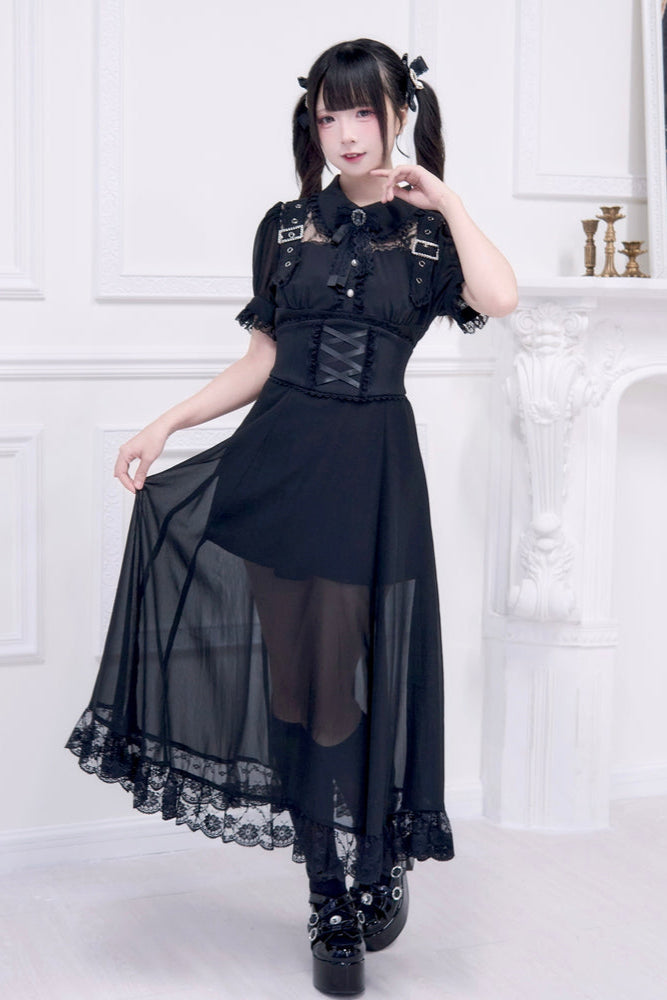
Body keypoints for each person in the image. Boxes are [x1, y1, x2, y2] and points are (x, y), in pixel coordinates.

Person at [65, 38, 517, 997]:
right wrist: (166, 422)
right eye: (327, 115)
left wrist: (446, 198)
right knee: (297, 685)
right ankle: (328, 896)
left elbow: (501, 298)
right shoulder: (284, 228)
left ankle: (372, 856)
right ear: (312, 124)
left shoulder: (429, 237)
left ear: (397, 115)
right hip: (276, 469)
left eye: (362, 112)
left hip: (372, 478)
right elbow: (262, 360)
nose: (345, 133)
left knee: (348, 682)